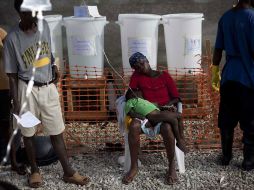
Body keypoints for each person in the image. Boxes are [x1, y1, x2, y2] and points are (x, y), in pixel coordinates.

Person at [3, 0, 90, 188]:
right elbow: (11, 76)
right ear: (21, 13)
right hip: (26, 90)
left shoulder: (44, 27)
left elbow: (49, 52)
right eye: (30, 13)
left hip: (48, 87)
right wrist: (16, 102)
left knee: (57, 132)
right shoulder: (12, 39)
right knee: (29, 133)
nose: (35, 17)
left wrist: (54, 66)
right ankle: (35, 171)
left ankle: (68, 172)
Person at [122, 52, 184, 185]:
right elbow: (130, 95)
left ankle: (171, 167)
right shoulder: (136, 77)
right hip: (146, 113)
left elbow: (176, 97)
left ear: (147, 61)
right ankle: (134, 167)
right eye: (136, 67)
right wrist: (136, 108)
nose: (140, 68)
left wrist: (167, 105)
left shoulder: (164, 76)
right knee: (133, 126)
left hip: (163, 111)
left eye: (141, 63)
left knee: (167, 127)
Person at [212, 0, 254, 170]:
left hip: (229, 76)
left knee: (226, 120)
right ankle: (249, 161)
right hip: (249, 77)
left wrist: (215, 71)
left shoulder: (225, 17)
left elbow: (218, 49)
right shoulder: (252, 17)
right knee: (250, 122)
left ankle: (226, 157)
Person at [124, 89, 187, 153]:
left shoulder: (144, 101)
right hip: (152, 116)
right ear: (132, 95)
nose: (141, 95)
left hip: (159, 113)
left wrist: (167, 108)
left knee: (179, 115)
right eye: (139, 94)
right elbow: (130, 113)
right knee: (173, 120)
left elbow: (157, 106)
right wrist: (142, 118)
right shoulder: (130, 101)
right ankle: (179, 141)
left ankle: (181, 138)